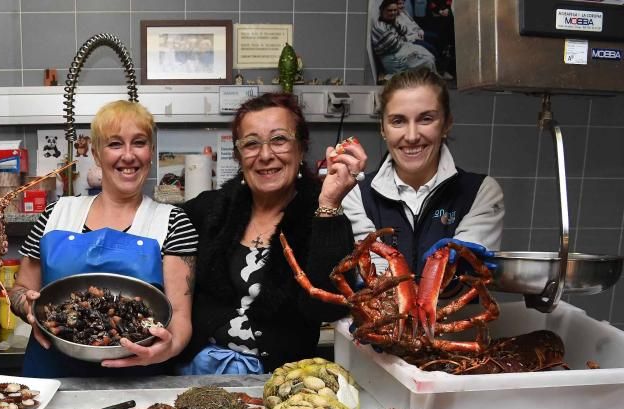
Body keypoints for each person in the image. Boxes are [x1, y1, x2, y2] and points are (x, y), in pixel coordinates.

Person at [177, 92, 366, 375]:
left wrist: (329, 205)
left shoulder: (324, 217)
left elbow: (327, 310)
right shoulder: (208, 210)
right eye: (251, 143)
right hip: (195, 378)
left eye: (279, 139)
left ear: (301, 148)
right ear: (239, 156)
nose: (265, 155)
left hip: (280, 386)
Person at [11, 100, 197, 378]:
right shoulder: (55, 214)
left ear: (151, 152)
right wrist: (28, 305)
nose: (128, 155)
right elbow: (19, 289)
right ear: (97, 155)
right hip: (50, 376)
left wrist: (165, 351)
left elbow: (180, 320)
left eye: (139, 143)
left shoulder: (173, 223)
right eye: (114, 144)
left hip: (137, 378)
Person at [343, 67, 504, 276]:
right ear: (383, 129)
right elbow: (376, 279)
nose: (411, 136)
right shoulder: (357, 194)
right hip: (382, 308)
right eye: (398, 121)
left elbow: (461, 278)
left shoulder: (481, 192)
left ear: (446, 124)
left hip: (454, 309)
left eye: (426, 119)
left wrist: (453, 269)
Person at [371, 0, 436, 78]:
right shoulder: (380, 26)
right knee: (427, 61)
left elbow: (404, 31)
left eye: (395, 10)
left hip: (399, 51)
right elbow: (395, 45)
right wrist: (402, 38)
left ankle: (429, 82)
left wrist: (400, 36)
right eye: (389, 10)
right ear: (382, 11)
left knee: (428, 54)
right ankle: (429, 83)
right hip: (392, 59)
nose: (393, 13)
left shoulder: (391, 22)